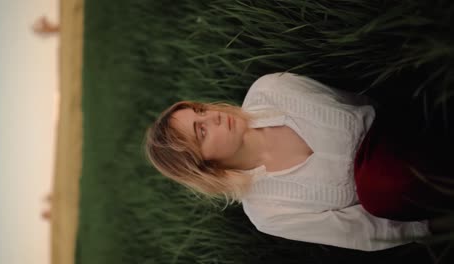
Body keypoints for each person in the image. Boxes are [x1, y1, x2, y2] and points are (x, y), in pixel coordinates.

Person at [144, 72, 454, 251]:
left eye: (200, 110)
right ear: (204, 165)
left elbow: (356, 101)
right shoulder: (267, 213)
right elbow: (362, 232)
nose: (213, 116)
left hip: (405, 128)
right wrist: (434, 227)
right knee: (378, 186)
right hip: (403, 190)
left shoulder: (271, 89)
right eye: (201, 131)